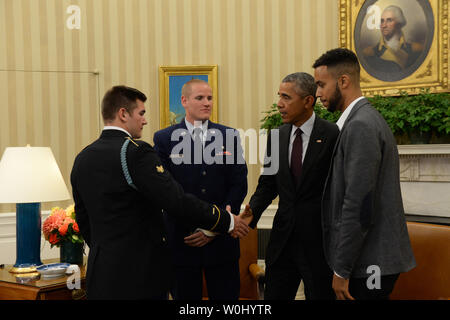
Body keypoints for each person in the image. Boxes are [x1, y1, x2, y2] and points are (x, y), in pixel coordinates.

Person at [70, 85, 250, 300]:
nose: (145, 120)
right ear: (123, 114)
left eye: (209, 98)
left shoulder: (82, 157)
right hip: (142, 267)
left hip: (102, 270)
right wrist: (226, 221)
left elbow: (83, 216)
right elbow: (174, 199)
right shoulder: (136, 151)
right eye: (142, 113)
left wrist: (108, 249)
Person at [313, 48, 416, 300]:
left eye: (321, 85)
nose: (317, 93)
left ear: (343, 81)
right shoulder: (360, 121)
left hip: (369, 262)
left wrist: (341, 269)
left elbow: (358, 204)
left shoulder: (360, 125)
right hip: (367, 260)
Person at [241, 73, 339, 300]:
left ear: (308, 101)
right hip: (283, 242)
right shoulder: (277, 136)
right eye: (279, 96)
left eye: (286, 97)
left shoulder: (331, 134)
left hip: (319, 243)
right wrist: (252, 212)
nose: (279, 104)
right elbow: (268, 183)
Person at [153, 79, 248, 300]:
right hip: (182, 239)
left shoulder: (229, 136)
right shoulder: (164, 139)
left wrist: (213, 228)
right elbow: (167, 190)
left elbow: (239, 183)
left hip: (222, 241)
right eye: (200, 98)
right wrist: (198, 225)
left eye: (210, 98)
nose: (207, 103)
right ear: (184, 101)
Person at [362, 5, 423, 72]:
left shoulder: (416, 49)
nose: (384, 25)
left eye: (389, 20)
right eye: (382, 21)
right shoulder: (369, 53)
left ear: (399, 23)